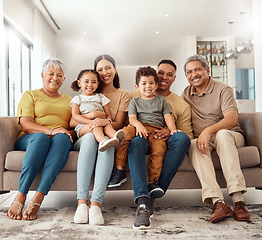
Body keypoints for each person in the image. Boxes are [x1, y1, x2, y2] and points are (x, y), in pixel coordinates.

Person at [120, 59, 192, 230]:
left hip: (163, 138)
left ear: (174, 78)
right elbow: (128, 121)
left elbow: (185, 134)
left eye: (169, 74)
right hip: (141, 137)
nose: (164, 77)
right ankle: (143, 200)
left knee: (182, 139)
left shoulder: (180, 104)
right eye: (161, 73)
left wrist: (169, 130)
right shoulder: (133, 97)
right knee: (136, 142)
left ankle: (154, 189)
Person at [181, 54, 250, 223]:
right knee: (193, 144)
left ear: (207, 70)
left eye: (198, 69)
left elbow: (232, 119)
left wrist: (208, 131)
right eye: (189, 72)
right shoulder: (186, 94)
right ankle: (218, 203)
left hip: (231, 135)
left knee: (222, 134)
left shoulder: (223, 89)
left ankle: (238, 200)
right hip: (206, 141)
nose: (194, 74)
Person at [7, 59, 74, 221]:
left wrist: (65, 132)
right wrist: (51, 130)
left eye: (59, 75)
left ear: (64, 79)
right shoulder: (30, 95)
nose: (55, 78)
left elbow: (74, 124)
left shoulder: (69, 100)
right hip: (32, 138)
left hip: (58, 140)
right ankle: (21, 195)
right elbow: (26, 124)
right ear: (43, 75)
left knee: (63, 139)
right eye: (51, 74)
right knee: (41, 138)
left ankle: (39, 197)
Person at [71, 54, 131, 225]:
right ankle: (81, 203)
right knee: (91, 138)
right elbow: (72, 120)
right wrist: (93, 116)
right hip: (85, 133)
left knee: (109, 145)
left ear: (115, 69)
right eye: (100, 69)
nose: (104, 72)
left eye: (108, 67)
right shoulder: (85, 94)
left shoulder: (121, 95)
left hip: (106, 131)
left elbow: (117, 122)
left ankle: (96, 204)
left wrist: (103, 120)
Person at [111, 66, 180, 200]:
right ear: (137, 86)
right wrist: (138, 125)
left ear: (156, 85)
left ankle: (152, 182)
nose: (148, 86)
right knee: (124, 134)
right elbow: (132, 118)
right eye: (144, 83)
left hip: (155, 130)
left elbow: (167, 116)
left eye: (151, 83)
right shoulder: (134, 101)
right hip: (138, 127)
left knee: (159, 150)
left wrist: (173, 130)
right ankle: (119, 170)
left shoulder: (161, 100)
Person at [70, 69, 126, 152]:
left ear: (97, 84)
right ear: (79, 83)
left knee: (108, 127)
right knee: (96, 127)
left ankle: (116, 138)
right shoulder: (77, 99)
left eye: (93, 82)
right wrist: (90, 122)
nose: (90, 84)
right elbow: (75, 116)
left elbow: (108, 115)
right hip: (83, 126)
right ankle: (103, 141)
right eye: (86, 81)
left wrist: (107, 121)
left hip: (100, 122)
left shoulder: (101, 97)